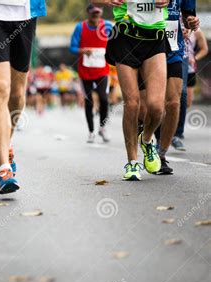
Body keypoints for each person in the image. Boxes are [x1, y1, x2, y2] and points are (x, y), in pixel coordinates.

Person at [0, 0, 47, 194]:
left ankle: (5, 140)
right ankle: (4, 168)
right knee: (0, 87)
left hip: (25, 13)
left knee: (16, 95)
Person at [94, 0, 168, 181]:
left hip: (154, 38)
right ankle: (132, 162)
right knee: (132, 103)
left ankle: (147, 139)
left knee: (157, 107)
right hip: (125, 37)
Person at [139, 0, 199, 175]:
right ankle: (148, 139)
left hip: (174, 47)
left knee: (174, 102)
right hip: (147, 45)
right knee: (152, 105)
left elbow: (188, 15)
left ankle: (161, 153)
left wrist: (192, 21)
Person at [70, 5, 113, 144]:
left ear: (100, 14)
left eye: (98, 13)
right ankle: (91, 131)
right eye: (93, 13)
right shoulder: (80, 27)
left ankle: (103, 127)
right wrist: (82, 50)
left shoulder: (106, 25)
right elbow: (72, 47)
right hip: (85, 70)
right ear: (88, 13)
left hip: (102, 69)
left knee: (104, 99)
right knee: (89, 101)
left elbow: (116, 40)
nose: (95, 16)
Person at [172, 27, 208, 150]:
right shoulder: (174, 27)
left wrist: (195, 58)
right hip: (175, 63)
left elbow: (204, 49)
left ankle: (176, 126)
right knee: (174, 98)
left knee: (186, 102)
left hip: (190, 69)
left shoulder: (196, 31)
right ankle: (175, 131)